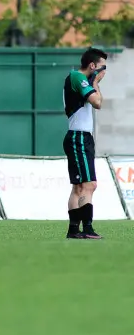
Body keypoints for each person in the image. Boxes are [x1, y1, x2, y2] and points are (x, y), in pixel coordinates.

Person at [63, 47, 107, 240]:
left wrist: (95, 82)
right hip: (78, 137)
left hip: (82, 137)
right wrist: (96, 81)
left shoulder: (83, 81)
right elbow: (97, 102)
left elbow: (98, 102)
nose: (104, 71)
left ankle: (74, 230)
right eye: (102, 67)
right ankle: (87, 228)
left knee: (79, 187)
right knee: (90, 184)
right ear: (92, 65)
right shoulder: (76, 77)